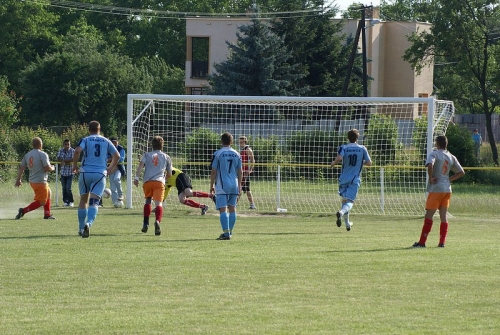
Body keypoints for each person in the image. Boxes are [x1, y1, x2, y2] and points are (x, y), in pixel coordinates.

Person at [413, 135, 465, 248]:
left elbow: (430, 164)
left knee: (429, 216)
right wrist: (449, 179)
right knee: (443, 216)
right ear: (446, 144)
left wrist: (431, 177)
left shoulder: (434, 153)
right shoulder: (451, 156)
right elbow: (461, 172)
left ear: (437, 143)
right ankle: (442, 243)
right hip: (447, 189)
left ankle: (422, 242)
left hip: (436, 189)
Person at [73, 121, 120, 238]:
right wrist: (110, 167)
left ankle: (80, 228)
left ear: (89, 129)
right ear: (100, 129)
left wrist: (74, 165)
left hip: (85, 173)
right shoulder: (106, 140)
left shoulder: (86, 139)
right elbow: (117, 156)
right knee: (94, 202)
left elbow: (78, 151)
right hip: (99, 173)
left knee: (83, 201)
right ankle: (88, 223)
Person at [330, 129, 372, 231]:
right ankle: (341, 213)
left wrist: (333, 163)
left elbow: (339, 158)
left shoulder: (343, 147)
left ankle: (347, 224)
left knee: (344, 200)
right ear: (357, 138)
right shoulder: (362, 148)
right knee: (350, 202)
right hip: (354, 178)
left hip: (343, 178)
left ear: (348, 138)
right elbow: (369, 162)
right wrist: (360, 163)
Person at [134, 136, 172, 235]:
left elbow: (141, 165)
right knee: (159, 204)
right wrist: (164, 179)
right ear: (162, 145)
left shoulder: (147, 155)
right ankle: (158, 221)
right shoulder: (166, 157)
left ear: (152, 145)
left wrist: (137, 177)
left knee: (147, 200)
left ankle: (146, 223)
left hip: (147, 182)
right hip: (159, 182)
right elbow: (170, 174)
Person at [210, 132, 243, 240]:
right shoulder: (237, 154)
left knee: (223, 209)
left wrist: (211, 185)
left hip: (222, 185)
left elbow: (214, 171)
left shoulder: (218, 154)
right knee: (232, 208)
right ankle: (230, 231)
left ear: (221, 141)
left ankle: (226, 233)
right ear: (231, 142)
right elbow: (240, 171)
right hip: (234, 184)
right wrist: (240, 186)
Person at [14, 137, 56, 220]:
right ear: (41, 144)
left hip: (32, 181)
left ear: (33, 145)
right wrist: (53, 167)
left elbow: (21, 167)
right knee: (42, 202)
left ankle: (47, 214)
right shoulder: (43, 154)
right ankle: (23, 211)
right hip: (40, 181)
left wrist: (18, 179)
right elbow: (47, 168)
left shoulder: (27, 155)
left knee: (49, 193)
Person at [238, 136, 256, 209]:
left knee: (240, 188)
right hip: (241, 171)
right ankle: (252, 204)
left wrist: (250, 169)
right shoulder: (242, 150)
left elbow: (253, 160)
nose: (240, 143)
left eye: (241, 142)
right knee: (245, 188)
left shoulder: (248, 149)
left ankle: (235, 203)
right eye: (239, 142)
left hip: (245, 172)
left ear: (245, 142)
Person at [56, 139, 75, 207]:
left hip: (70, 172)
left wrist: (64, 161)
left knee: (68, 188)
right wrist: (63, 161)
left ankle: (71, 201)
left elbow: (73, 159)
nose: (67, 146)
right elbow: (58, 158)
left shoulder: (73, 151)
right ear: (63, 145)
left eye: (68, 144)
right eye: (65, 144)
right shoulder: (61, 150)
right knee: (64, 188)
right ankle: (66, 201)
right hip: (63, 172)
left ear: (70, 144)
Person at [108, 137, 126, 206]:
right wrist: (110, 159)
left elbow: (121, 159)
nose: (114, 144)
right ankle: (115, 203)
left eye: (115, 142)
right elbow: (106, 158)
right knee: (112, 188)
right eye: (113, 142)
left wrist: (112, 159)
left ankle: (121, 195)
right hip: (111, 168)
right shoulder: (108, 149)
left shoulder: (121, 149)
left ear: (118, 142)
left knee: (116, 179)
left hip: (119, 168)